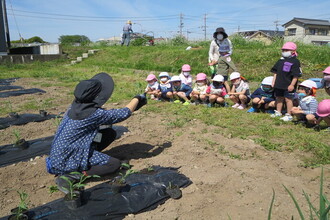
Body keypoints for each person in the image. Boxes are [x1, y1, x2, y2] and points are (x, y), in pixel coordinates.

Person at [45, 72, 147, 192]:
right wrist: (137, 98)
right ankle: (73, 175)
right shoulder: (94, 114)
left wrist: (136, 104)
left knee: (109, 134)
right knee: (113, 164)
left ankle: (89, 159)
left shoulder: (75, 106)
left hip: (60, 153)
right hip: (67, 158)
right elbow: (123, 113)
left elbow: (106, 116)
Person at [270, 42, 302, 121]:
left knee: (288, 99)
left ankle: (289, 114)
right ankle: (278, 112)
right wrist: (273, 81)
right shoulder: (280, 61)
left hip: (288, 84)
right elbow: (275, 72)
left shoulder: (295, 61)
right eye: (283, 50)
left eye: (286, 50)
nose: (284, 51)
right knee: (279, 98)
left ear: (293, 51)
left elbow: (296, 75)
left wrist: (292, 85)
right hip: (279, 83)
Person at [214, 27, 237, 92]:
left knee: (225, 82)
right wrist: (214, 63)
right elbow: (218, 62)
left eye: (222, 51)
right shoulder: (221, 56)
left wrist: (235, 70)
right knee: (219, 82)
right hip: (219, 72)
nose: (221, 52)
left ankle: (228, 92)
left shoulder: (227, 57)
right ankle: (220, 91)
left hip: (223, 73)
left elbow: (231, 64)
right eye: (220, 51)